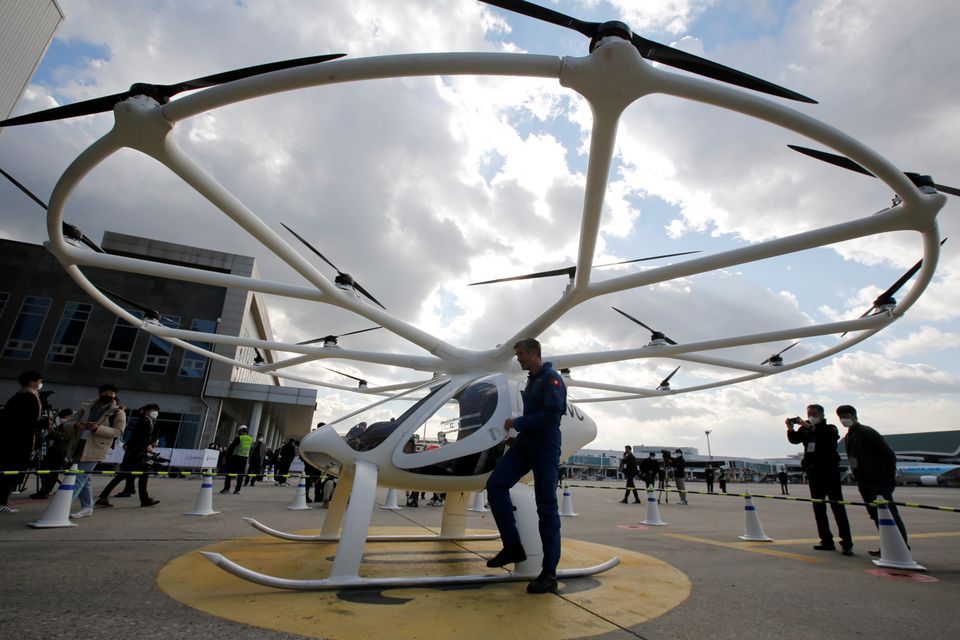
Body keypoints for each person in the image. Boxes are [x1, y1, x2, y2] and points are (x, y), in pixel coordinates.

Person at [485, 338, 566, 595]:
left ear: (533, 353)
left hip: (545, 447)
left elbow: (551, 416)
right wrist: (518, 436)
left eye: (520, 354)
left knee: (546, 509)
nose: (518, 358)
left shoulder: (551, 379)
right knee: (495, 484)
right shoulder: (532, 379)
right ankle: (512, 546)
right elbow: (534, 416)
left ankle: (549, 573)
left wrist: (517, 423)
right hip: (526, 443)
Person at [838, 405, 906, 557]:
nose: (843, 419)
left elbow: (889, 455)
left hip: (878, 480)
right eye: (841, 417)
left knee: (889, 513)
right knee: (876, 514)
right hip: (864, 481)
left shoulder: (867, 432)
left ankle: (901, 546)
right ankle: (888, 545)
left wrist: (887, 478)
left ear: (854, 415)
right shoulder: (849, 436)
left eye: (846, 416)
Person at [786, 405, 853, 554]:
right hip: (813, 472)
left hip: (829, 472)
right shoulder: (805, 429)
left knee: (837, 507)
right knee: (819, 508)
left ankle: (846, 542)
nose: (811, 416)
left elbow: (828, 439)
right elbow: (795, 440)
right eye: (809, 413)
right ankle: (826, 540)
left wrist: (809, 426)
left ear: (822, 415)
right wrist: (790, 429)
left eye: (814, 413)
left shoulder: (830, 429)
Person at [63, 384, 127, 518]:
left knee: (78, 478)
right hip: (79, 444)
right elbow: (68, 423)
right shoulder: (86, 407)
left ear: (115, 395)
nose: (108, 395)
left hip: (96, 447)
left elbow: (118, 431)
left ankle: (61, 508)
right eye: (105, 392)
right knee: (85, 479)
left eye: (111, 393)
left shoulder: (117, 412)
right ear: (100, 393)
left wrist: (97, 429)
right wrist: (76, 425)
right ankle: (87, 507)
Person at [0, 371, 49, 513]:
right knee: (12, 473)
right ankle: (2, 503)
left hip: (10, 440)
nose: (40, 384)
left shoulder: (18, 395)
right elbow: (28, 421)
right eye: (39, 381)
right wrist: (43, 423)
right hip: (19, 442)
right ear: (32, 382)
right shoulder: (30, 397)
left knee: (7, 471)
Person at [96, 404, 161, 508]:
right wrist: (147, 445)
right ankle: (103, 497)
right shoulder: (144, 421)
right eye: (153, 410)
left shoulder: (149, 422)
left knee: (142, 474)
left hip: (138, 452)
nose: (155, 412)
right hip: (136, 453)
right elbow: (141, 437)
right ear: (147, 411)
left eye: (156, 410)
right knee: (125, 475)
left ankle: (144, 499)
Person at [220, 425, 253, 494]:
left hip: (236, 458)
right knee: (240, 475)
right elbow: (251, 449)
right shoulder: (250, 439)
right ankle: (237, 490)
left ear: (241, 431)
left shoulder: (239, 438)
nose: (238, 433)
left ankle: (226, 488)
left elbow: (231, 448)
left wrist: (227, 457)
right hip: (244, 459)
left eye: (239, 432)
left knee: (229, 473)